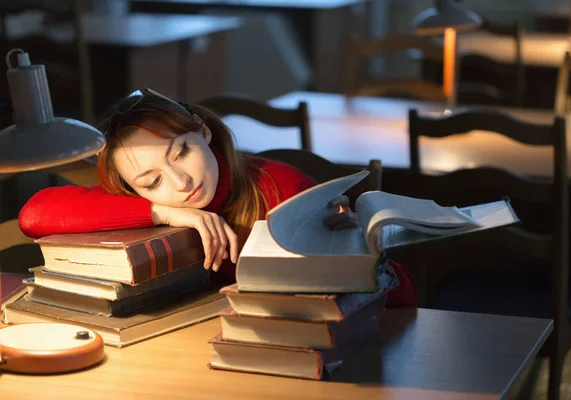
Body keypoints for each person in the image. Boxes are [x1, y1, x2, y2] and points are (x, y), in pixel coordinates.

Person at [18, 88, 417, 308]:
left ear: (204, 132)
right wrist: (164, 213)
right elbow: (34, 214)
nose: (180, 182)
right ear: (134, 188)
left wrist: (359, 255)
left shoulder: (281, 187)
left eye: (183, 152)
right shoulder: (154, 205)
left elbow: (405, 296)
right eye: (152, 181)